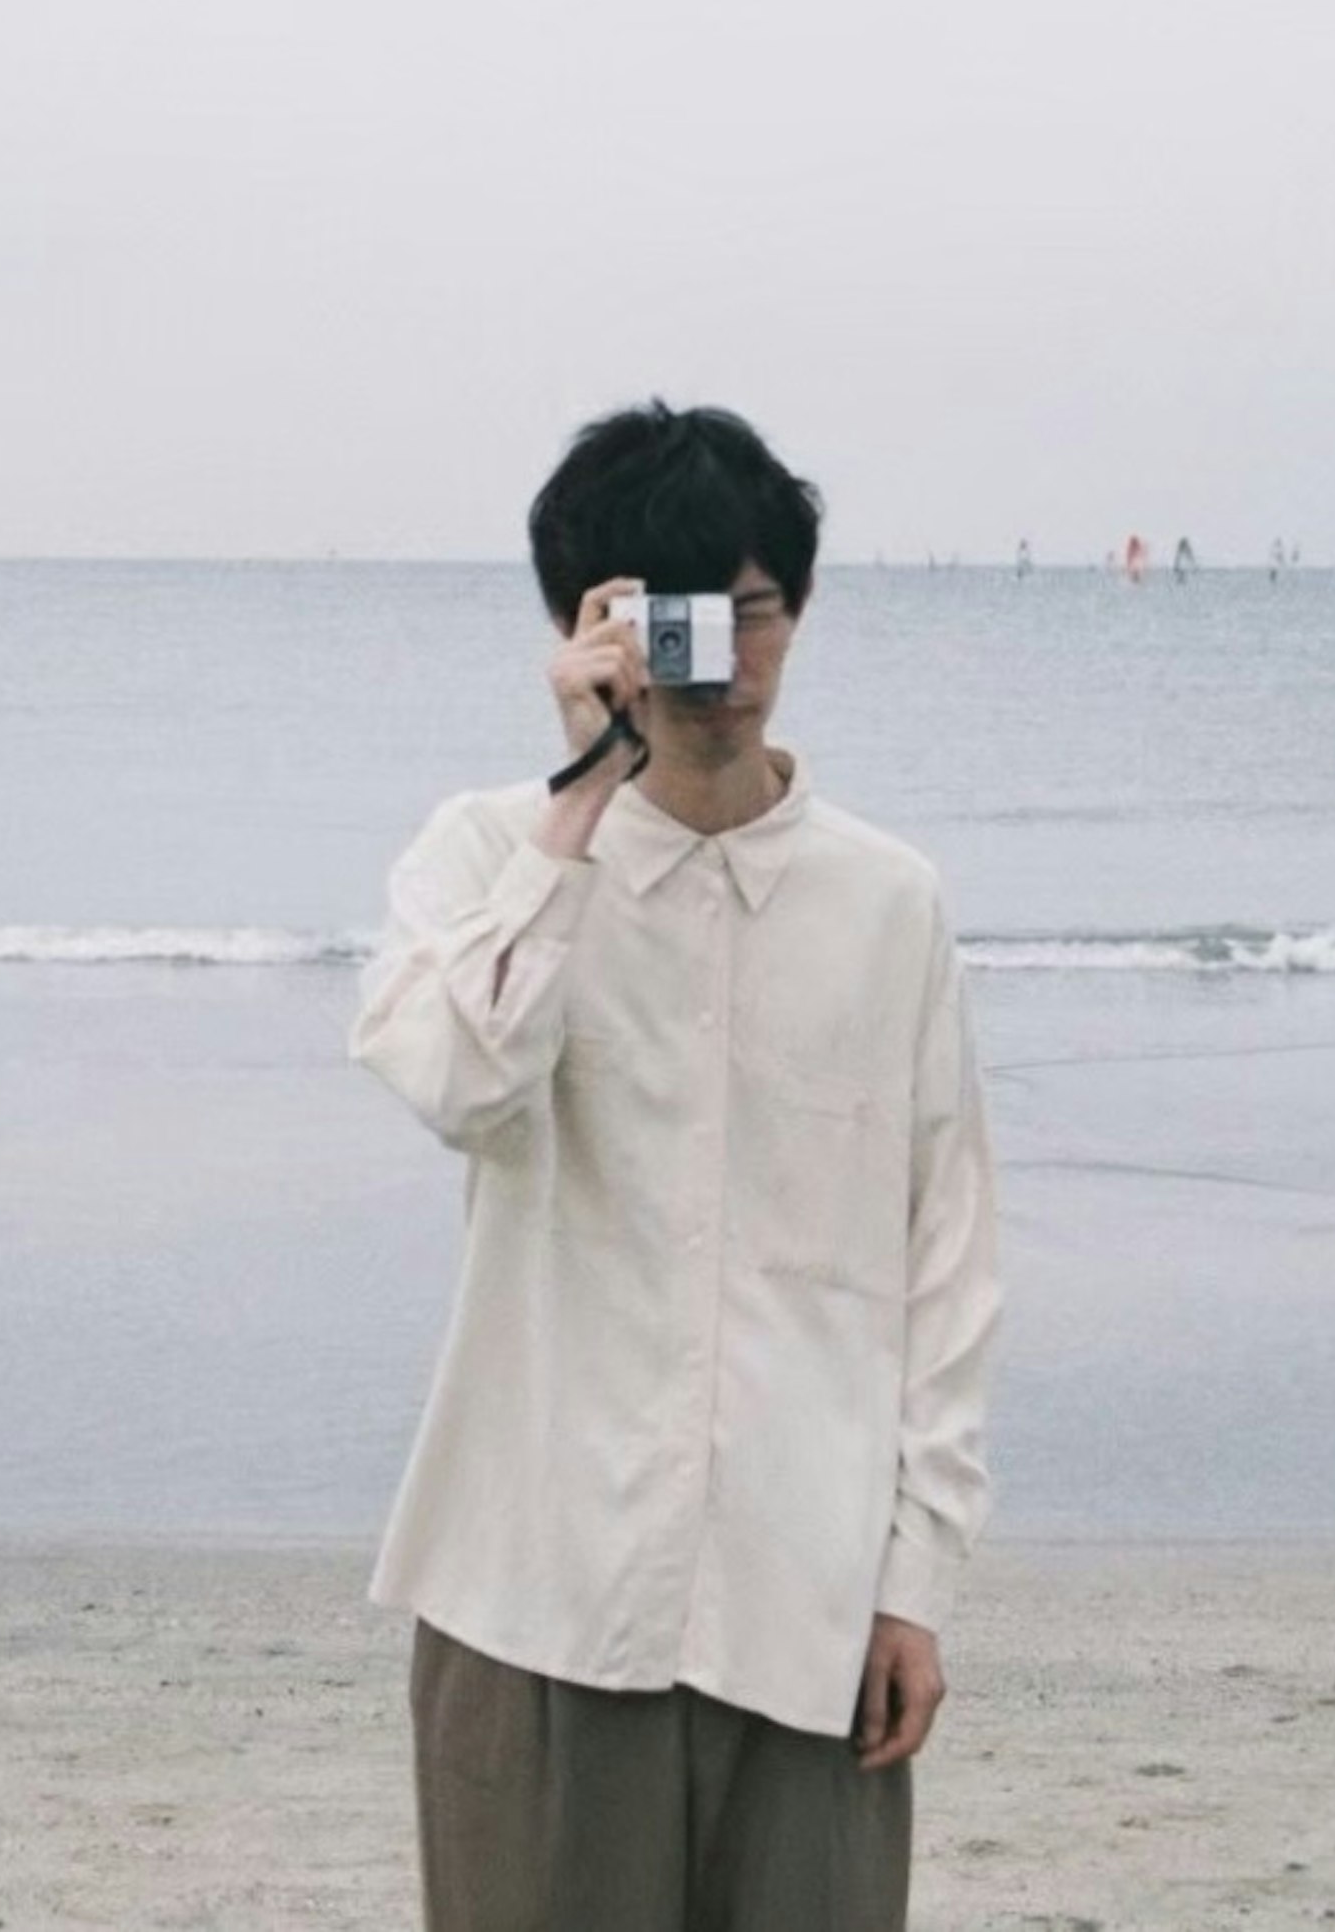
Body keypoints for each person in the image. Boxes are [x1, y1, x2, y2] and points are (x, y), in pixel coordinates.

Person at [351, 399, 1003, 1932]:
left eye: (751, 604)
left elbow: (948, 1257)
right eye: (676, 614)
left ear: (798, 607)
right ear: (592, 627)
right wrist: (583, 789)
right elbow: (460, 1081)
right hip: (538, 1590)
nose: (726, 654)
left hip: (811, 1599)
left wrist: (918, 1574)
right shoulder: (487, 855)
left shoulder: (889, 902)